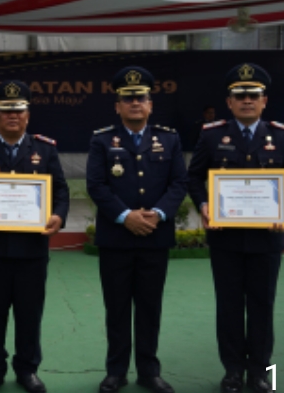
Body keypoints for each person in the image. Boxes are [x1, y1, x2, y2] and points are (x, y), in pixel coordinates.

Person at [187, 63, 284, 393]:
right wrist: (204, 204)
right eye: (240, 96)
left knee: (262, 307)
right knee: (228, 307)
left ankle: (259, 372)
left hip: (267, 238)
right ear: (230, 102)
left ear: (264, 100)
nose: (247, 100)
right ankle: (232, 371)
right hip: (226, 239)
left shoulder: (283, 136)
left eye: (253, 95)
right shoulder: (212, 135)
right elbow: (194, 177)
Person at [0, 80, 70, 393]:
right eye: (6, 111)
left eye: (18, 110)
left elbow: (61, 191)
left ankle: (27, 369)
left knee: (29, 314)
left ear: (28, 115)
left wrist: (59, 215)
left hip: (32, 250)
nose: (13, 116)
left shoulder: (45, 149)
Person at [86, 66, 187, 393]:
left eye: (140, 98)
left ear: (150, 105)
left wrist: (158, 214)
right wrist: (125, 216)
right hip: (116, 238)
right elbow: (96, 185)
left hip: (155, 237)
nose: (134, 103)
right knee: (116, 309)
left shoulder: (169, 139)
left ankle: (148, 371)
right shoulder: (102, 140)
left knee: (149, 308)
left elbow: (179, 183)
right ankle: (116, 371)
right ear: (117, 106)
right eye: (127, 99)